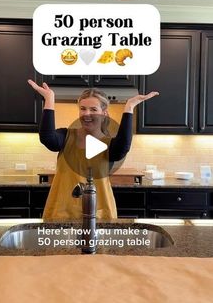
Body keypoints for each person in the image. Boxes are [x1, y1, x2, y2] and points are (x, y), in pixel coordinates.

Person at [28, 79, 159, 221]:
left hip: (99, 215)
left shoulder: (110, 145)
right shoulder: (65, 136)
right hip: (62, 212)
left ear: (104, 114)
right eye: (83, 108)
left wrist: (129, 107)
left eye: (93, 109)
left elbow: (123, 147)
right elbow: (48, 139)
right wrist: (49, 99)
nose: (87, 113)